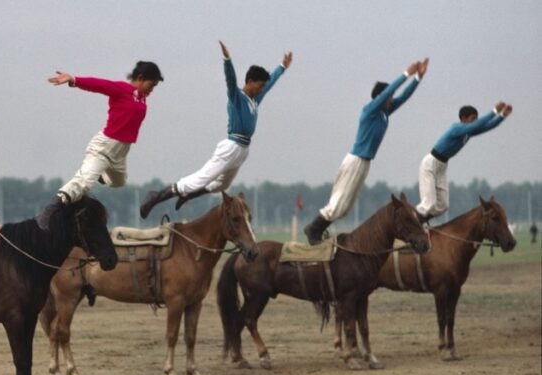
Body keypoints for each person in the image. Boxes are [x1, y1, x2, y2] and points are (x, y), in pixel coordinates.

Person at [140, 41, 292, 218]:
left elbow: (270, 81)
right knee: (199, 179)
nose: (261, 89)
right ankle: (156, 196)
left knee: (221, 185)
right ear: (250, 82)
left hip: (243, 150)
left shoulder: (255, 99)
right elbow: (230, 80)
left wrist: (282, 67)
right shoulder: (236, 96)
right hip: (231, 147)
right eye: (259, 85)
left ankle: (189, 195)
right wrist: (227, 60)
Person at [304, 58, 428, 244]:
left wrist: (418, 78)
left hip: (364, 162)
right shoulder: (370, 110)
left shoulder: (384, 113)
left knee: (345, 207)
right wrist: (406, 74)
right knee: (339, 202)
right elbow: (389, 92)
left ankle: (318, 229)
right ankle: (313, 230)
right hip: (355, 160)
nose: (392, 99)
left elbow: (404, 97)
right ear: (381, 97)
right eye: (389, 97)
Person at [37, 61, 163, 229]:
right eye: (151, 85)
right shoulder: (122, 89)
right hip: (104, 148)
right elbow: (99, 85)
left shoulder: (141, 98)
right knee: (83, 183)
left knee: (119, 181)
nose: (152, 90)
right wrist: (74, 79)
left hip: (121, 152)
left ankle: (100, 175)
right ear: (140, 78)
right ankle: (47, 213)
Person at [416, 102, 512, 222]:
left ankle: (420, 221)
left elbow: (488, 126)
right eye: (473, 119)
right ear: (463, 118)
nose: (475, 122)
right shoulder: (456, 128)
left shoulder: (468, 132)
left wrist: (502, 116)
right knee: (428, 203)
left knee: (443, 205)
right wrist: (494, 112)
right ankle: (412, 221)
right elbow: (479, 124)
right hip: (430, 164)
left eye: (476, 119)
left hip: (442, 166)